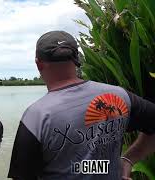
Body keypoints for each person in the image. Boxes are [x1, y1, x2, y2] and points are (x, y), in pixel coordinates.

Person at [8, 30, 155, 180]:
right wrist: (128, 159)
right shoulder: (120, 96)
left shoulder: (36, 116)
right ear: (76, 58)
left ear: (39, 64)